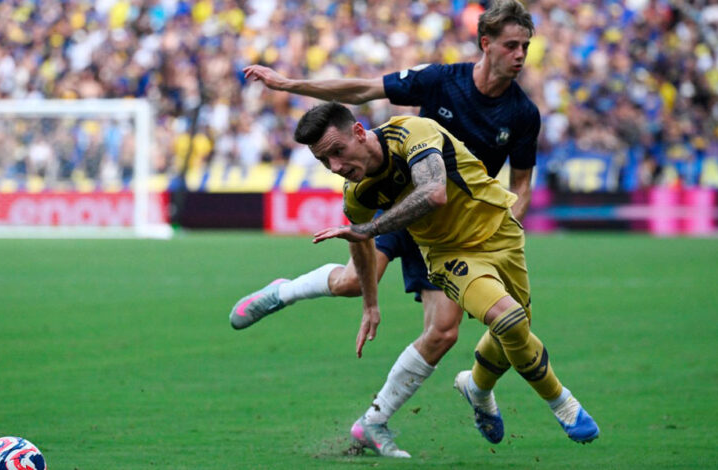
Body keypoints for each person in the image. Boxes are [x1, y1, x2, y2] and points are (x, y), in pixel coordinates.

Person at [232, 0, 543, 452]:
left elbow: (521, 186)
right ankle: (284, 291)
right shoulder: (440, 80)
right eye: (511, 45)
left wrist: (502, 234)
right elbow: (364, 88)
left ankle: (373, 422)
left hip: (455, 230)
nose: (520, 54)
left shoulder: (523, 113)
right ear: (486, 44)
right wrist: (291, 84)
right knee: (352, 283)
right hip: (404, 202)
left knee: (444, 332)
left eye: (525, 46)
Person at [303, 101, 600, 457]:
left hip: (501, 231)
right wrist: (370, 303)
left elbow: (433, 192)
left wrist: (371, 228)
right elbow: (359, 243)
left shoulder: (411, 131)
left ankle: (477, 387)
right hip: (448, 255)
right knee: (508, 319)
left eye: (337, 151)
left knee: (514, 331)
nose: (335, 167)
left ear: (358, 132)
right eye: (324, 161)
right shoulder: (357, 194)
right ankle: (561, 402)